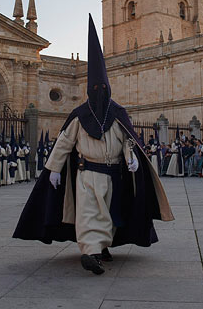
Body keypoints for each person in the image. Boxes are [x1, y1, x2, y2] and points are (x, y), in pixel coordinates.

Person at [13, 14, 173, 275]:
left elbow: (127, 140)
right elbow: (64, 142)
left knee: (110, 212)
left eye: (102, 87)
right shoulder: (79, 114)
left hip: (114, 173)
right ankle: (89, 252)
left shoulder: (118, 113)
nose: (99, 90)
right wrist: (53, 169)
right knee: (88, 214)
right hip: (86, 173)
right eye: (94, 87)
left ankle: (102, 247)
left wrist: (131, 157)